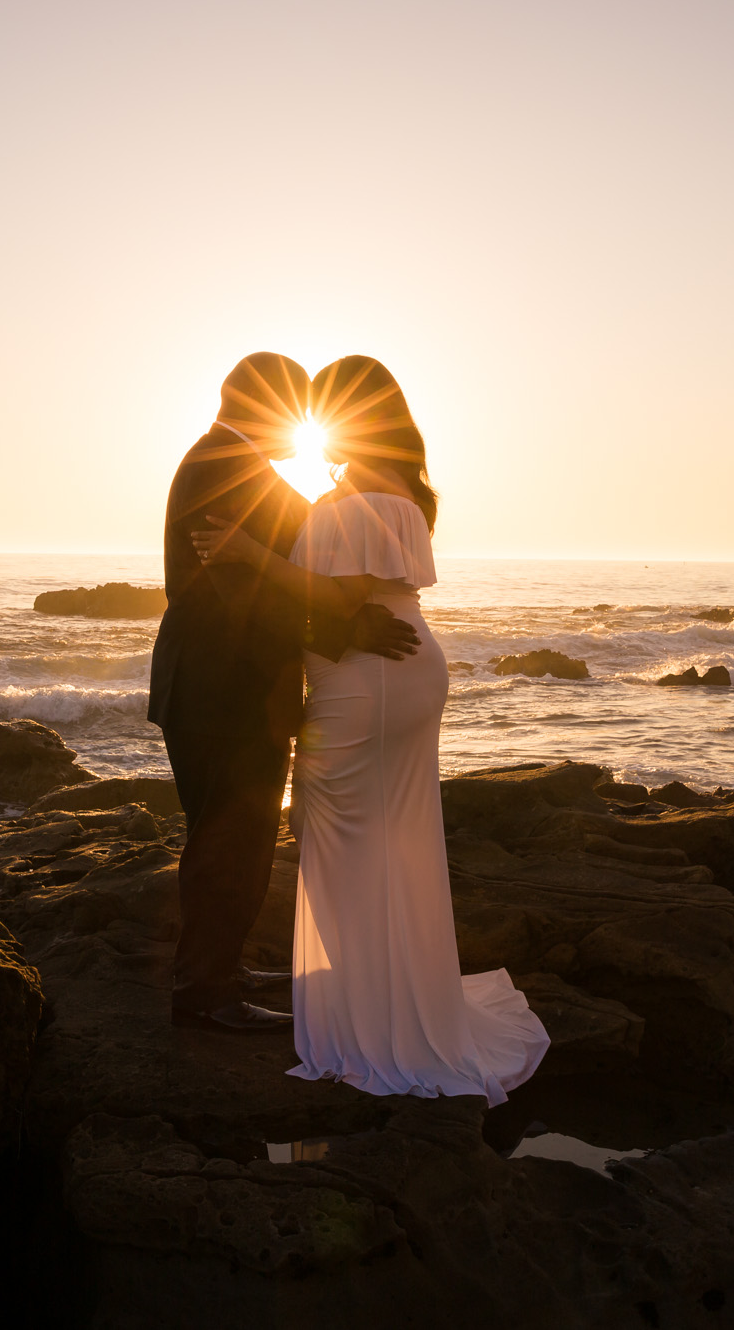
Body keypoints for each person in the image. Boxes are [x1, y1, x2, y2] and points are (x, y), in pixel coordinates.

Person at [192, 355, 548, 1100]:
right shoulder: (403, 493)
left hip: (369, 680)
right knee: (393, 837)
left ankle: (370, 1022)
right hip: (404, 671)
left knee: (344, 833)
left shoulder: (361, 499)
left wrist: (251, 552)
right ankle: (393, 1001)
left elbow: (343, 593)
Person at [150, 352, 420, 1032]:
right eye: (292, 410)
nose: (300, 425)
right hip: (220, 685)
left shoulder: (241, 468)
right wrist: (352, 623)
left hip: (230, 687)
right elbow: (243, 592)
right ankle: (205, 991)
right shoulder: (218, 468)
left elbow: (303, 537)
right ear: (261, 407)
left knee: (233, 836)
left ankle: (219, 968)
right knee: (228, 839)